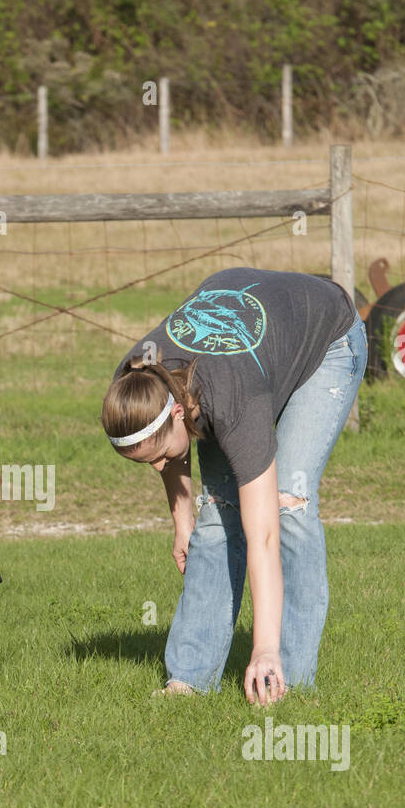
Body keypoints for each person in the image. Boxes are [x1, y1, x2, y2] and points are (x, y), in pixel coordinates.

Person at [101, 267, 367, 704]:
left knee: (287, 503)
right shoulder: (134, 383)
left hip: (326, 340)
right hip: (246, 350)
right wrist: (181, 517)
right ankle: (188, 679)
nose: (160, 467)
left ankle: (287, 678)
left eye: (160, 458)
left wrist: (262, 648)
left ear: (177, 414)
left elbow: (262, 536)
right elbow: (171, 454)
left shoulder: (234, 400)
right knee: (217, 510)